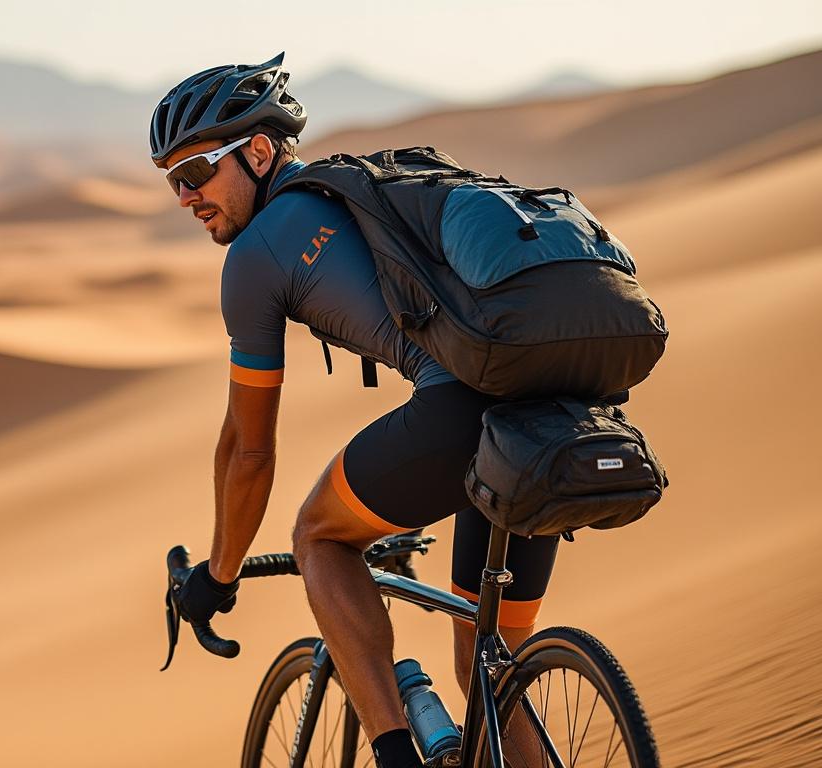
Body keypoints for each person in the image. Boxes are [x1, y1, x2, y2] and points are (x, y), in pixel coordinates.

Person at [151, 54, 560, 768]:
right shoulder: (359, 194)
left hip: (464, 417)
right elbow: (232, 440)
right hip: (548, 414)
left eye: (195, 174)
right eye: (172, 184)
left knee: (319, 536)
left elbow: (249, 451)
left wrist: (217, 577)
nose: (186, 197)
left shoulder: (256, 256)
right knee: (489, 665)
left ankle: (394, 752)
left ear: (256, 152)